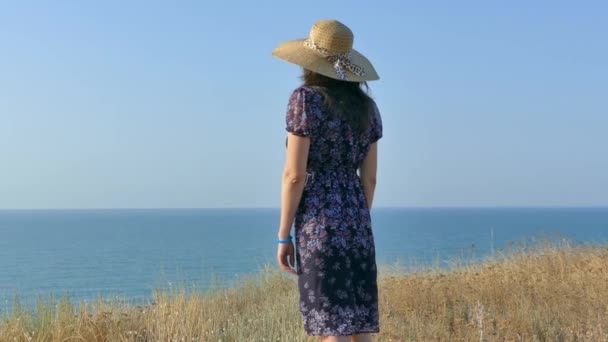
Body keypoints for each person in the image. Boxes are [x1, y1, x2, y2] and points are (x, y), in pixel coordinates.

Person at [272, 20, 383, 341]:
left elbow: (294, 175)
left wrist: (283, 236)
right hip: (357, 219)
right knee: (360, 323)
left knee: (329, 323)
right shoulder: (368, 108)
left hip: (318, 222)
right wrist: (358, 218)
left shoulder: (305, 100)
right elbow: (371, 178)